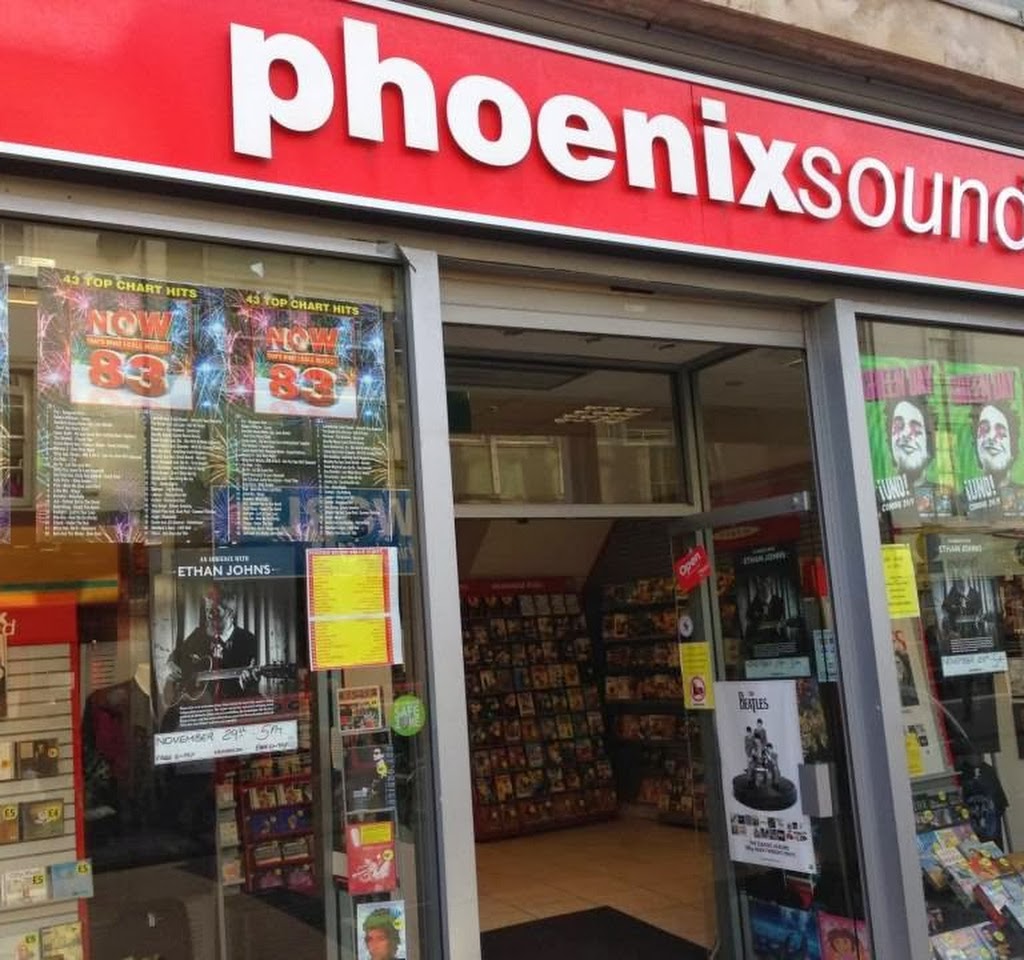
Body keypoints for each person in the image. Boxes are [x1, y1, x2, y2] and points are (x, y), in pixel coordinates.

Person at [165, 586, 259, 703]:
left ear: (230, 613)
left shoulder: (248, 640)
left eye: (214, 611)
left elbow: (250, 690)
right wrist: (172, 665)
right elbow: (174, 658)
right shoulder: (198, 634)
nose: (209, 615)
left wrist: (247, 684)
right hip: (198, 704)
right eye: (207, 610)